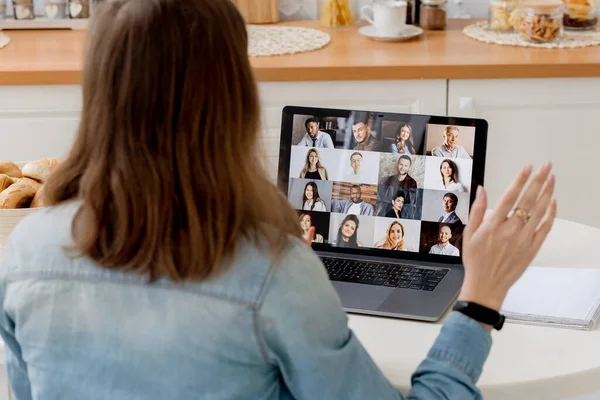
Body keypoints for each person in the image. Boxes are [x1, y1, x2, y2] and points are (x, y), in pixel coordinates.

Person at [0, 0, 558, 399]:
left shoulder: (24, 254)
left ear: (98, 90)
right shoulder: (272, 272)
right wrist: (481, 300)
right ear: (234, 99)